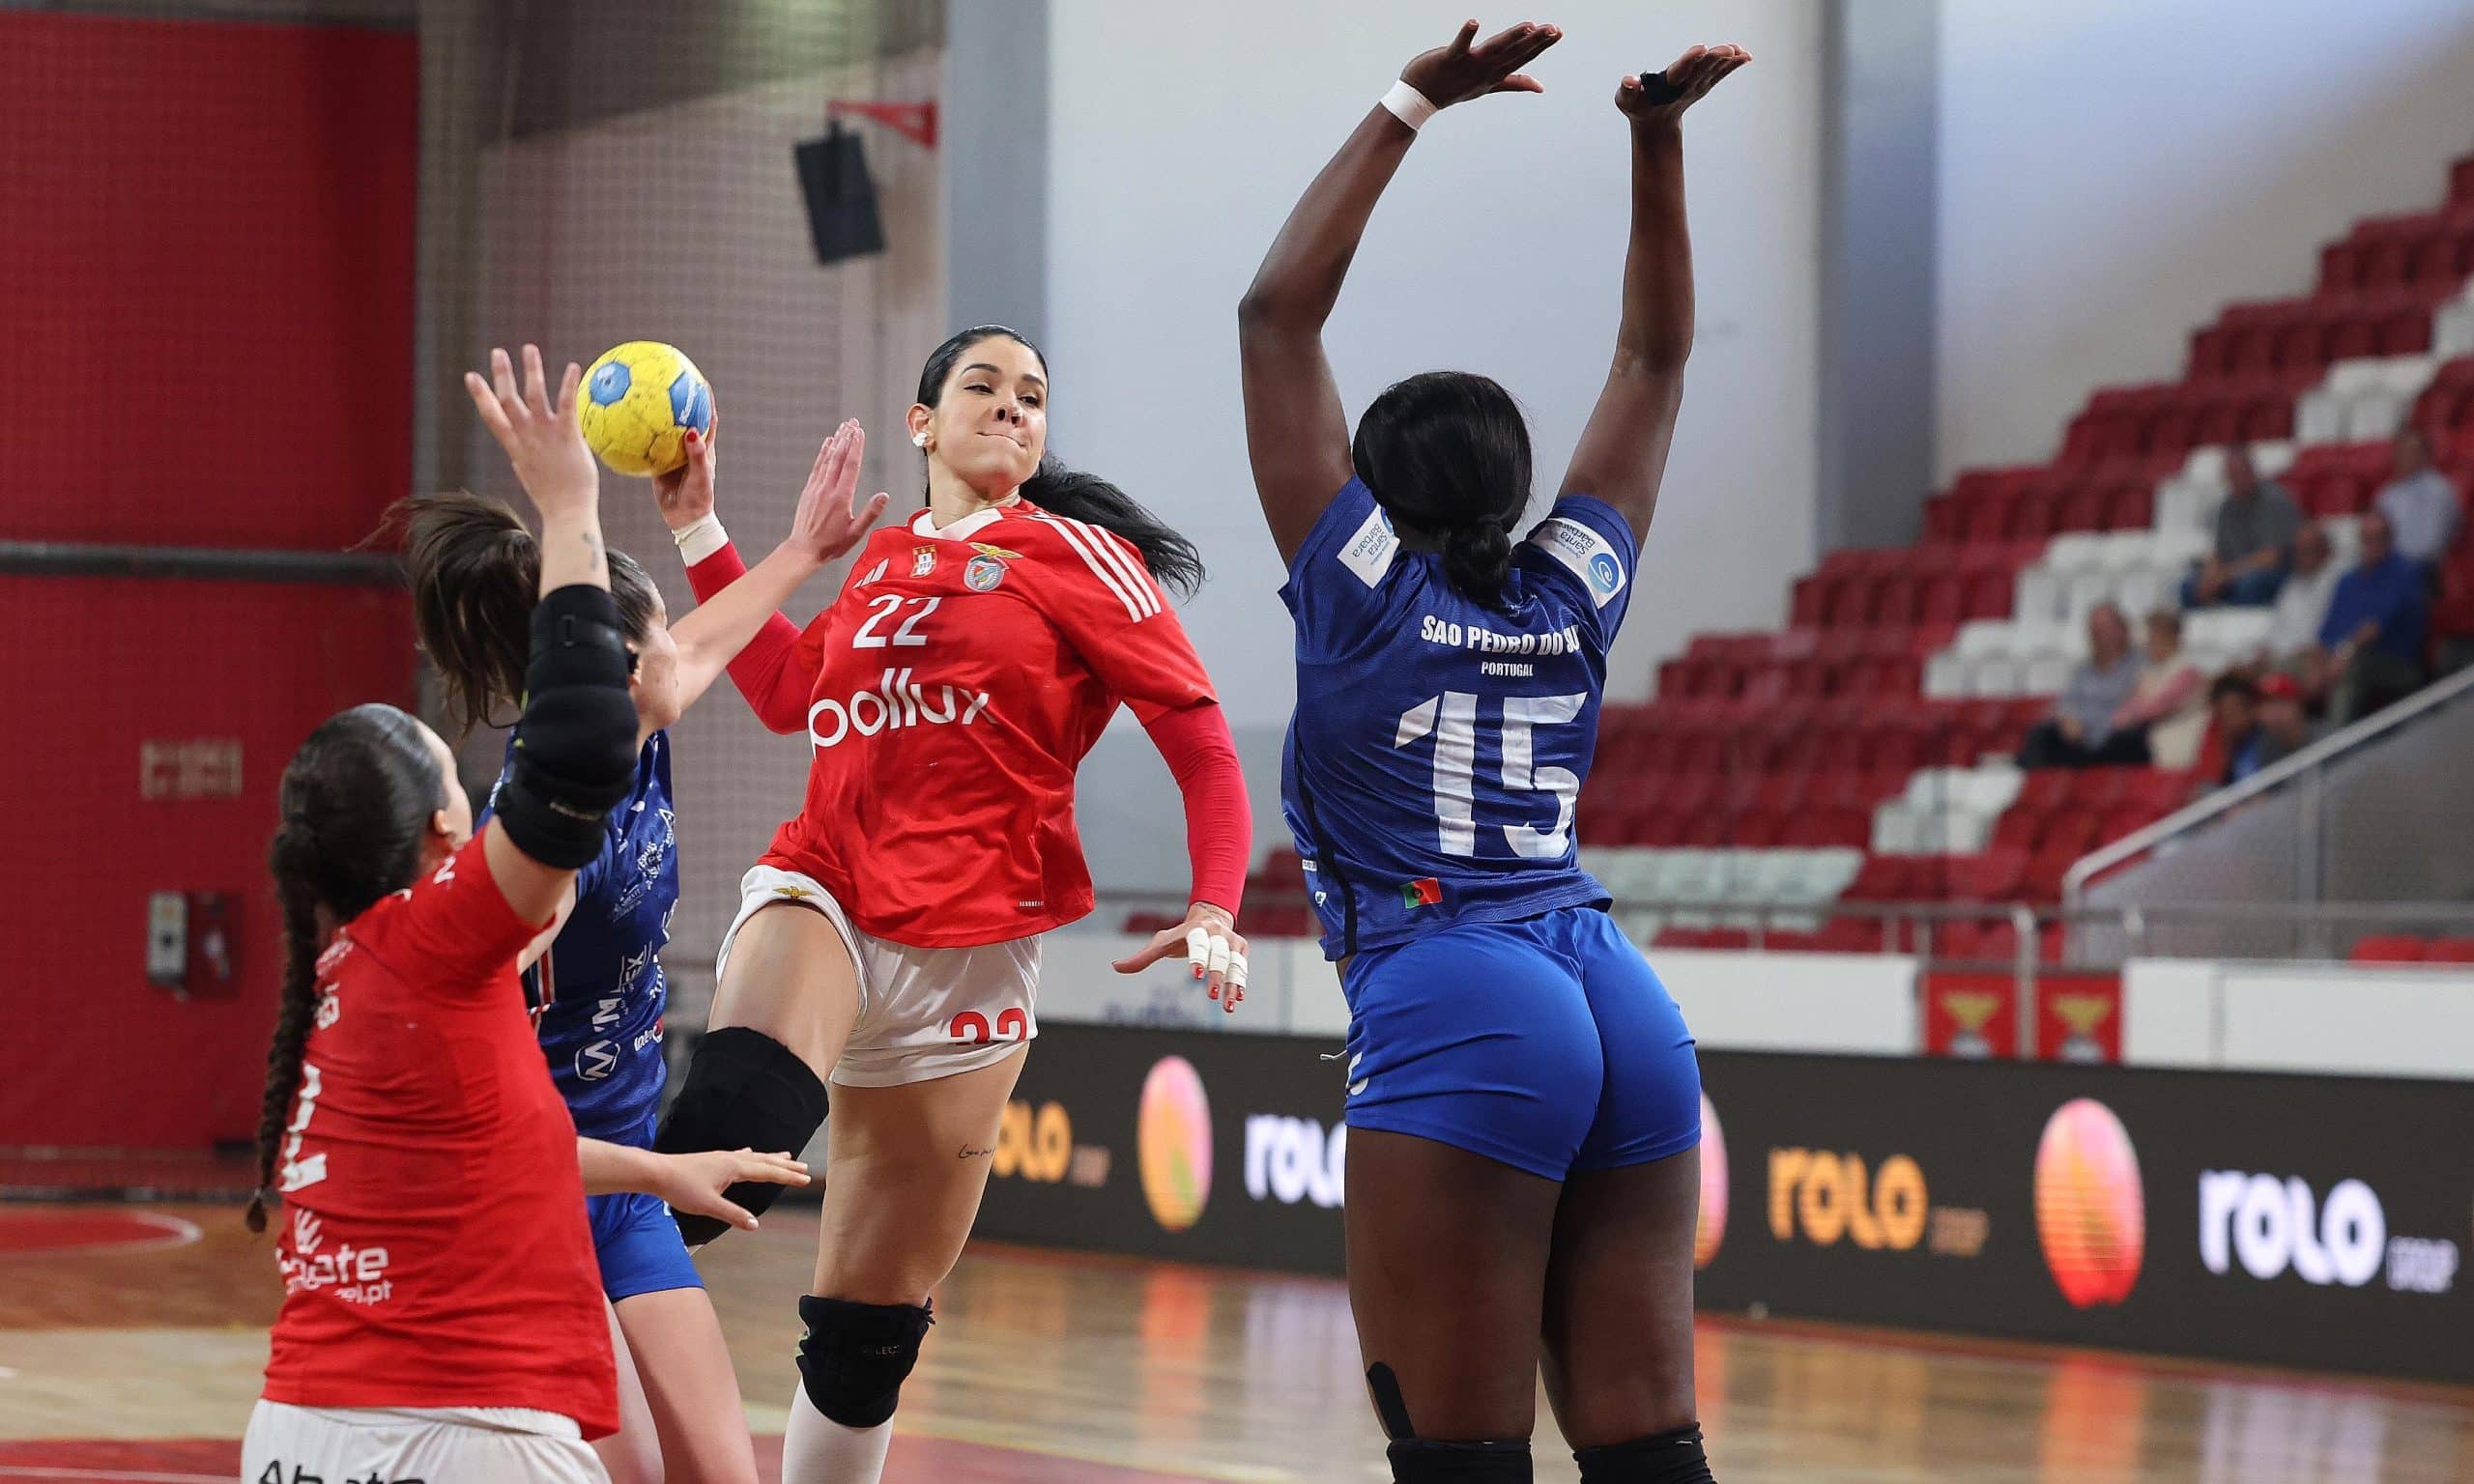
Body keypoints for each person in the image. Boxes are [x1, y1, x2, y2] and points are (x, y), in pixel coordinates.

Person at [1239, 22, 1744, 1483]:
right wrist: (1657, 138)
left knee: (1456, 1456)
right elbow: (1655, 356)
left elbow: (1277, 321)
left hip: (1457, 989)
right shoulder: (1570, 585)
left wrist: (1411, 102)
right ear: (1520, 486)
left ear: (1371, 494)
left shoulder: (1357, 589)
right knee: (1654, 1453)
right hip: (1614, 991)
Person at [647, 334, 1252, 1484]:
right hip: (827, 885)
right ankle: (516, 1392)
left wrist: (1213, 905)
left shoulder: (1079, 556)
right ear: (922, 424)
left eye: (1032, 398)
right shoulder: (880, 556)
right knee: (733, 1126)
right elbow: (784, 693)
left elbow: (1205, 748)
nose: (1012, 409)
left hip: (975, 951)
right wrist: (698, 527)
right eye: (983, 387)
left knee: (866, 1335)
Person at [392, 418, 882, 1483]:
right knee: (628, 1472)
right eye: (665, 636)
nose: (689, 646)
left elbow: (712, 638)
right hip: (539, 1184)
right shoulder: (542, 844)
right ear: (616, 668)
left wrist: (799, 551)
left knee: (718, 1473)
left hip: (624, 1183)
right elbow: (448, 1020)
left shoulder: (638, 730)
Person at [241, 346, 640, 1482]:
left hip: (304, 1433)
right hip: (449, 1434)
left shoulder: (350, 975)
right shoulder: (433, 946)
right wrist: (568, 509)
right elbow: (579, 753)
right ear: (445, 839)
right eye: (461, 782)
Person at [2308, 509, 2430, 727]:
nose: (2371, 544)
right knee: (2290, 672)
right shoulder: (2347, 581)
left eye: (2378, 538)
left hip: (2395, 663)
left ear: (2390, 539)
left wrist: (2343, 655)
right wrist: (2318, 665)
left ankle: (2334, 747)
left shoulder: (2403, 572)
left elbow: (2374, 628)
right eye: (2366, 538)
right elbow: (2325, 633)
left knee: (2352, 669)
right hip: (2343, 658)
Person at [2016, 604, 2146, 768]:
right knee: (2040, 735)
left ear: (2122, 629)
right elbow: (2065, 702)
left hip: (2113, 736)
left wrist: (2100, 725)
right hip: (2077, 737)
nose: (2098, 635)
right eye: (2094, 630)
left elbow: (2137, 703)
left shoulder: (2140, 664)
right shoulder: (2083, 669)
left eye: (2104, 629)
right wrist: (2067, 718)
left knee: (2126, 739)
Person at [2182, 444, 2299, 608]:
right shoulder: (2226, 507)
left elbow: (2272, 557)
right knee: (2189, 586)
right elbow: (2218, 552)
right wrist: (2210, 576)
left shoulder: (2274, 501)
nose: (2237, 480)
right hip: (2235, 573)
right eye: (2232, 476)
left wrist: (2226, 574)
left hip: (2276, 573)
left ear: (2252, 472)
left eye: (2241, 474)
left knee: (2250, 585)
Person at [2254, 521, 2342, 681]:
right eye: (2298, 551)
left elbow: (2327, 635)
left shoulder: (2336, 582)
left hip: (2309, 659)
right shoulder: (2291, 585)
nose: (2301, 557)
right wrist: (2265, 651)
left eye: (2308, 550)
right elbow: (2276, 629)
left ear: (2324, 551)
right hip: (2281, 658)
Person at [2372, 426, 2462, 570]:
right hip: (2390, 568)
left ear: (2425, 455)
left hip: (2427, 567)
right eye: (2402, 451)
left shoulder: (2440, 490)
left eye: (2412, 451)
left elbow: (2435, 542)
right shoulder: (2387, 495)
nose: (2406, 456)